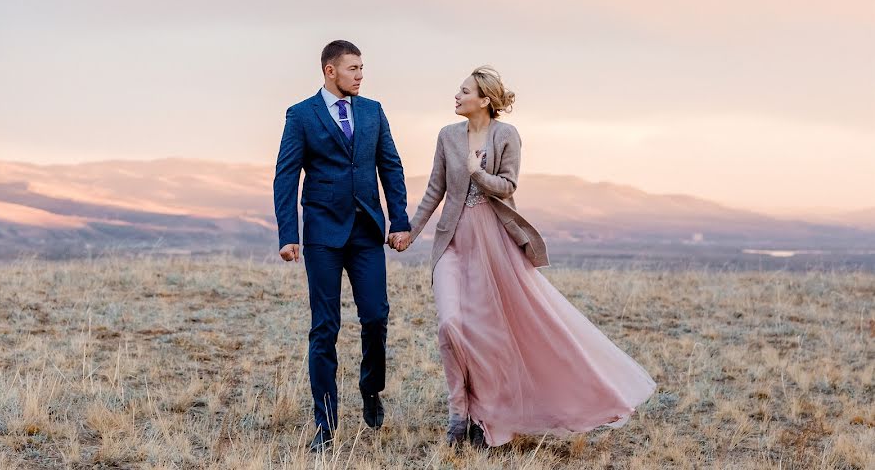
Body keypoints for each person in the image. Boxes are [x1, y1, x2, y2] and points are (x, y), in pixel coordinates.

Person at [396, 65, 657, 448]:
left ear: (484, 99)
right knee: (450, 324)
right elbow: (435, 190)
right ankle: (458, 410)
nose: (456, 95)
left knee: (489, 335)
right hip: (452, 242)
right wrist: (409, 232)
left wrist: (478, 174)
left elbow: (508, 185)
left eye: (464, 90)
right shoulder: (447, 136)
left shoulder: (506, 135)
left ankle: (483, 417)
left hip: (493, 244)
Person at [273, 40, 411, 452]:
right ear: (330, 71)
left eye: (362, 68)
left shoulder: (373, 111)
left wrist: (399, 220)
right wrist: (288, 234)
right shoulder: (300, 115)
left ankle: (371, 389)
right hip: (322, 236)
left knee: (375, 316)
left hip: (367, 232)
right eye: (353, 68)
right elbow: (286, 176)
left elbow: (391, 165)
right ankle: (325, 423)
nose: (360, 75)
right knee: (325, 328)